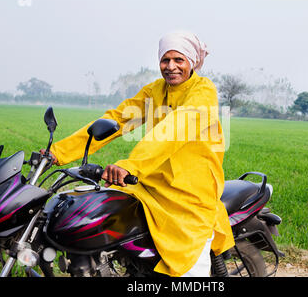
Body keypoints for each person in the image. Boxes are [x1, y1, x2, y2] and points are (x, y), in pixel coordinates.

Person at [46, 31, 234, 277]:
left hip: (191, 193)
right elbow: (119, 118)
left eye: (179, 60)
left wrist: (130, 165)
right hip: (151, 184)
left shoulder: (203, 91)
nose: (171, 67)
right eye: (165, 60)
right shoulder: (155, 90)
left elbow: (175, 129)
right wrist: (56, 153)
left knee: (188, 269)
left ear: (192, 62)